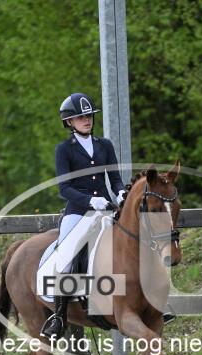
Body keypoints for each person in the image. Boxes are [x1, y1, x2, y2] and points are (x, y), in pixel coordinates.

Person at [41, 92, 126, 340]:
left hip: (106, 210)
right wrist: (90, 201)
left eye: (88, 116)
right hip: (78, 212)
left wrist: (121, 193)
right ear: (69, 122)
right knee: (65, 258)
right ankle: (58, 316)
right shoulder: (64, 150)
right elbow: (64, 188)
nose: (86, 120)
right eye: (80, 117)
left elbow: (115, 178)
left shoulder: (105, 145)